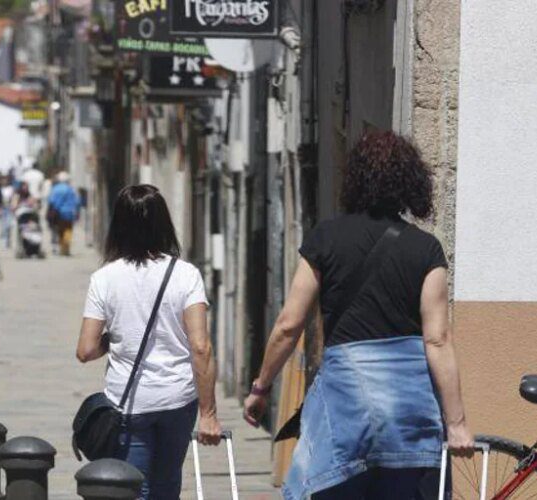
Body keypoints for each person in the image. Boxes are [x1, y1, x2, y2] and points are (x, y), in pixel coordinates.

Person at [242, 131, 475, 500]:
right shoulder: (426, 249)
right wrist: (456, 423)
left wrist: (261, 387)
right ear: (410, 181)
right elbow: (437, 339)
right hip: (408, 415)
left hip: (345, 410)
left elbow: (289, 325)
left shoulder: (325, 239)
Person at [76, 185, 222, 499]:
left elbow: (86, 350)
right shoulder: (186, 275)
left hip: (130, 402)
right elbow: (201, 346)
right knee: (167, 485)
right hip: (178, 399)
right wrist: (209, 414)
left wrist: (114, 337)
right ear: (164, 224)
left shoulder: (104, 279)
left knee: (134, 488)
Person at [46, 171, 80, 256]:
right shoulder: (70, 189)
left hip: (59, 213)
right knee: (68, 230)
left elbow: (51, 201)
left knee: (60, 231)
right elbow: (77, 201)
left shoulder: (55, 188)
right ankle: (66, 249)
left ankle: (62, 248)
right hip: (69, 213)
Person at [0, 175, 15, 248]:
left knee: (8, 224)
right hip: (2, 207)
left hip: (9, 207)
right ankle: (4, 241)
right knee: (3, 224)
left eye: (6, 180)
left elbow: (13, 198)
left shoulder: (11, 188)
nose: (4, 182)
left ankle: (8, 240)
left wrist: (13, 205)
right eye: (3, 180)